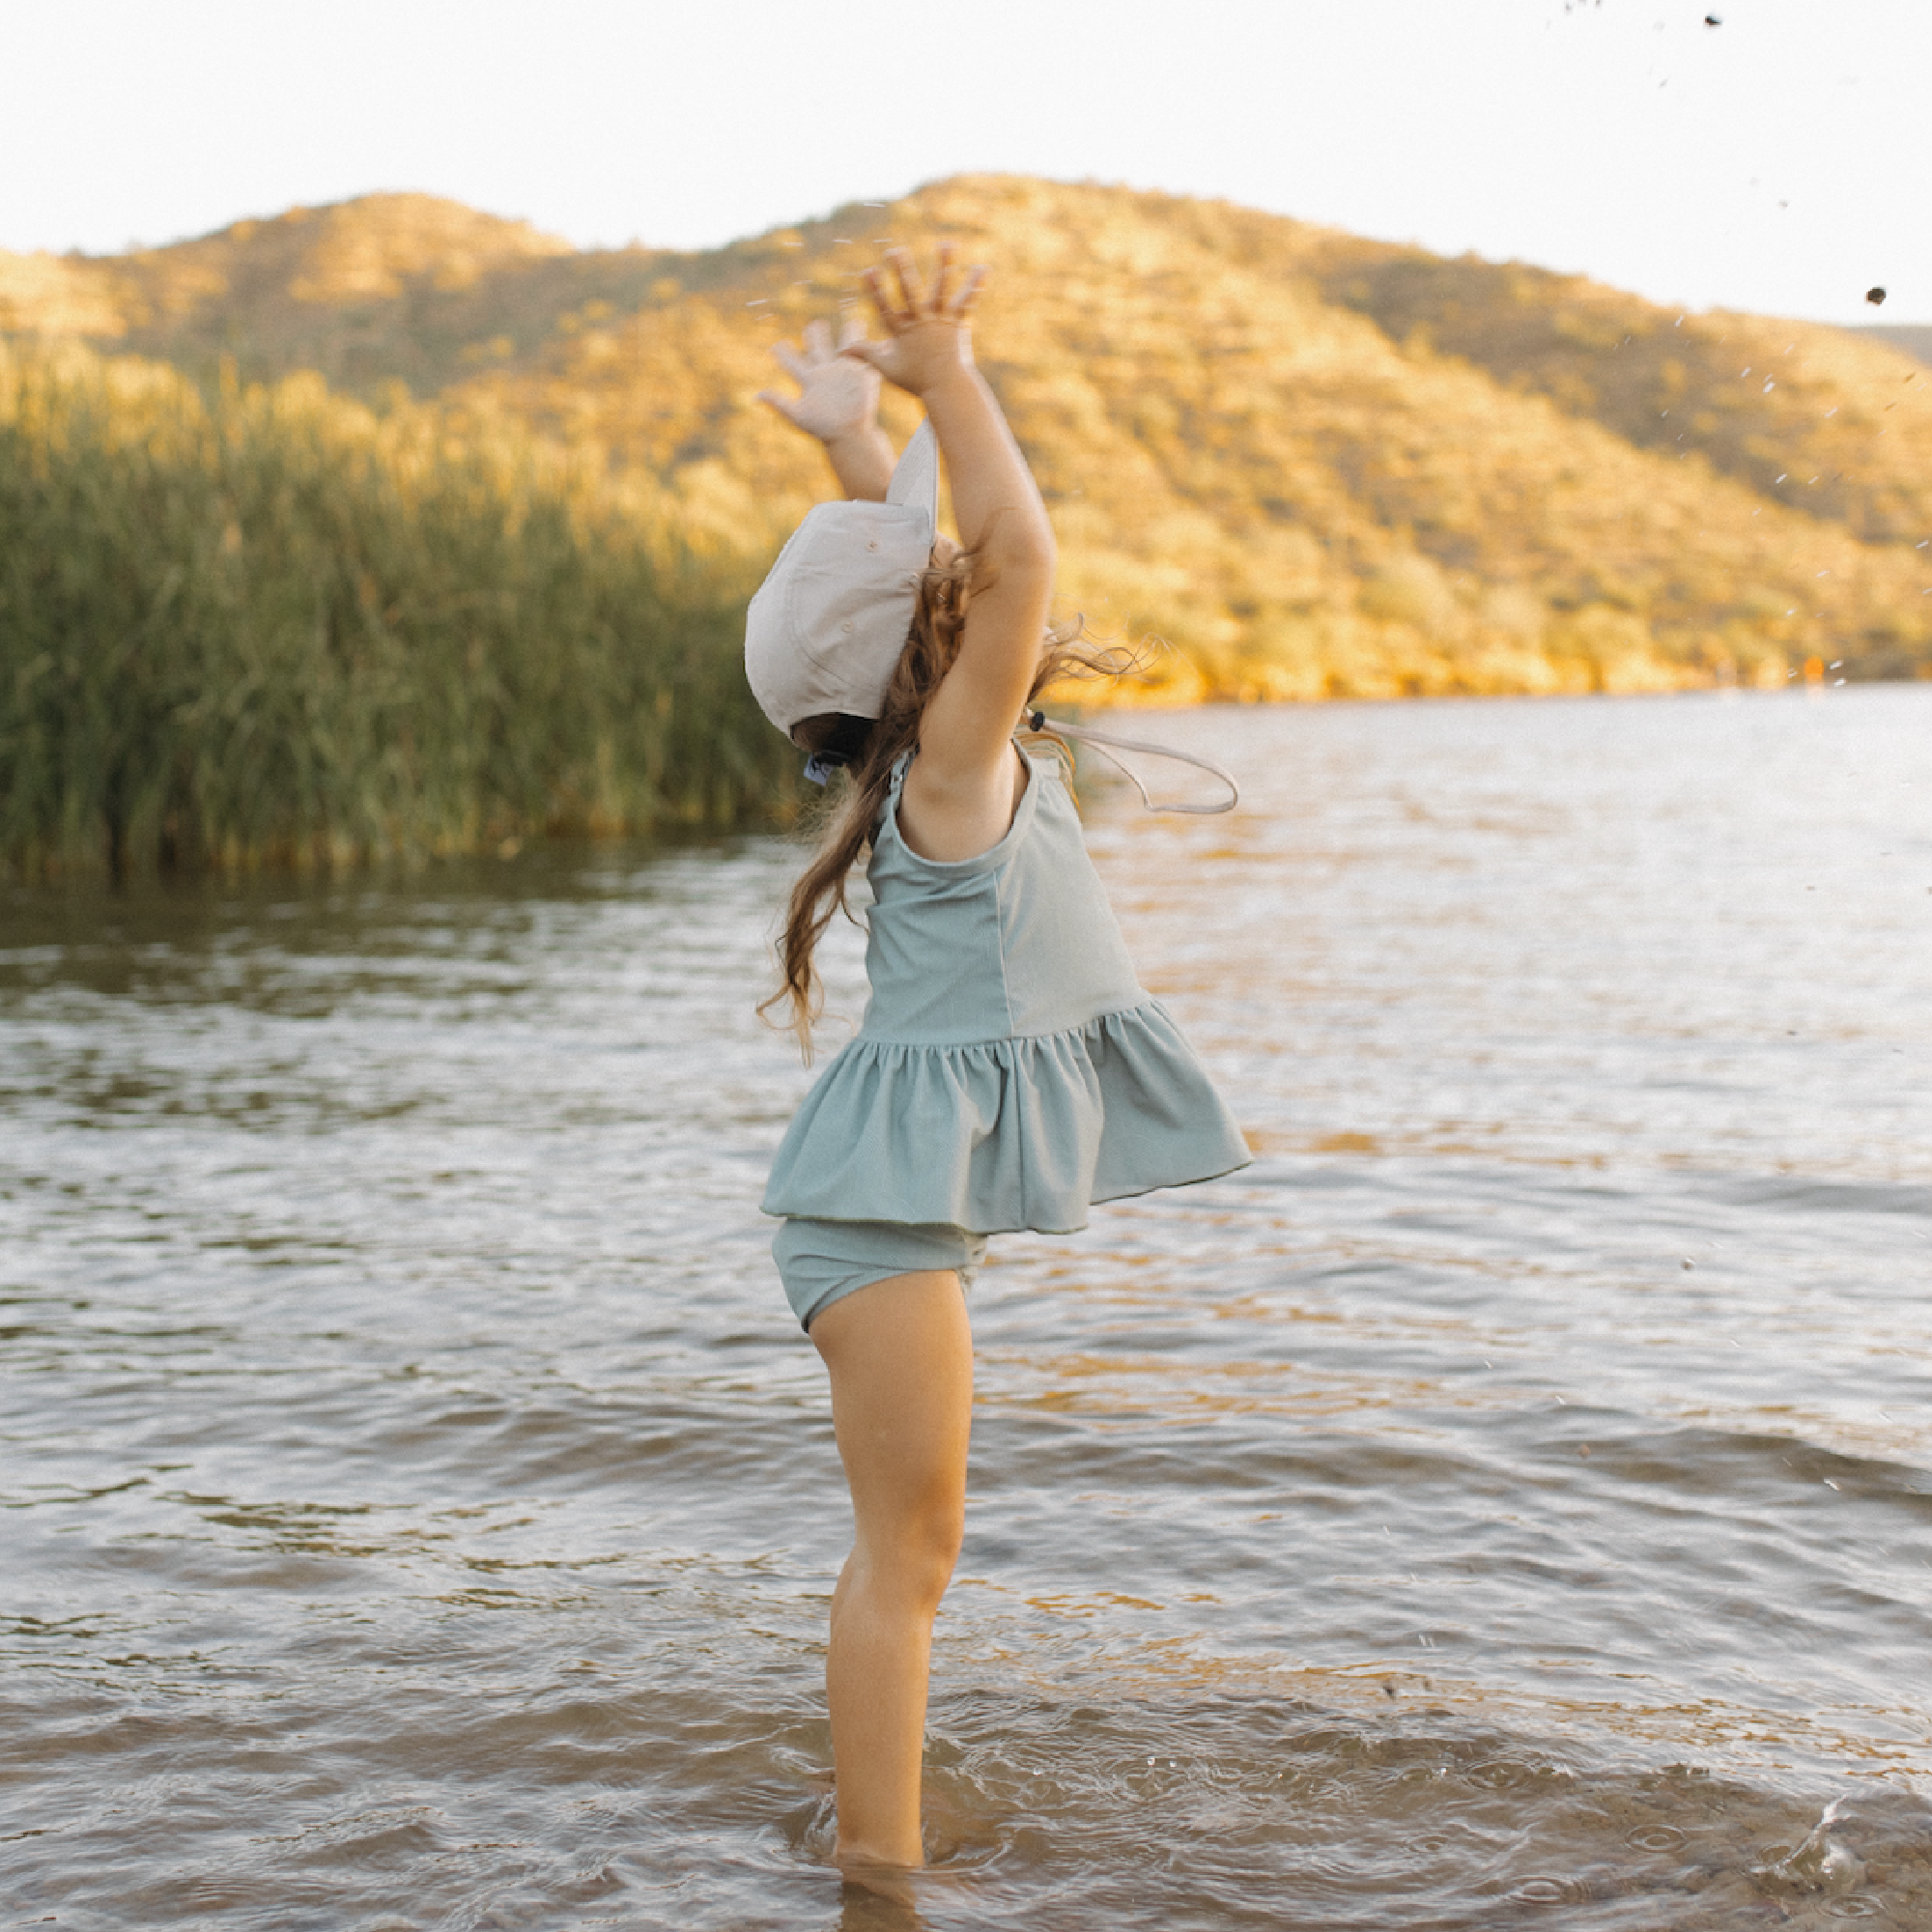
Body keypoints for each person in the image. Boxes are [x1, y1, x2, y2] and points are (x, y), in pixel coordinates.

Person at [747, 247, 1249, 1871]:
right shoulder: (955, 773)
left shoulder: (931, 762)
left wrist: (850, 446)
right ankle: (880, 1883)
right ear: (937, 653)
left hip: (880, 1211)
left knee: (914, 1544)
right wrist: (944, 374)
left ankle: (871, 1829)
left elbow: (941, 572)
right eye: (944, 602)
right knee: (912, 1551)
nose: (972, 587)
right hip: (875, 1223)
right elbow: (1016, 553)